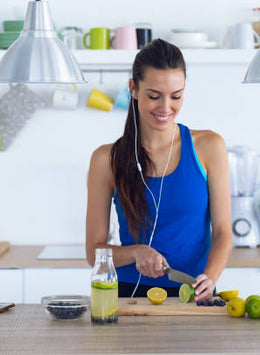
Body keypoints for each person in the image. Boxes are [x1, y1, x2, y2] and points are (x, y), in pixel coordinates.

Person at [86, 39, 232, 302]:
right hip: (130, 296)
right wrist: (135, 252)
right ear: (133, 89)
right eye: (154, 96)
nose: (166, 107)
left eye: (176, 96)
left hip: (195, 293)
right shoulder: (105, 159)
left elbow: (223, 232)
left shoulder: (209, 146)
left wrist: (210, 278)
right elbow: (93, 252)